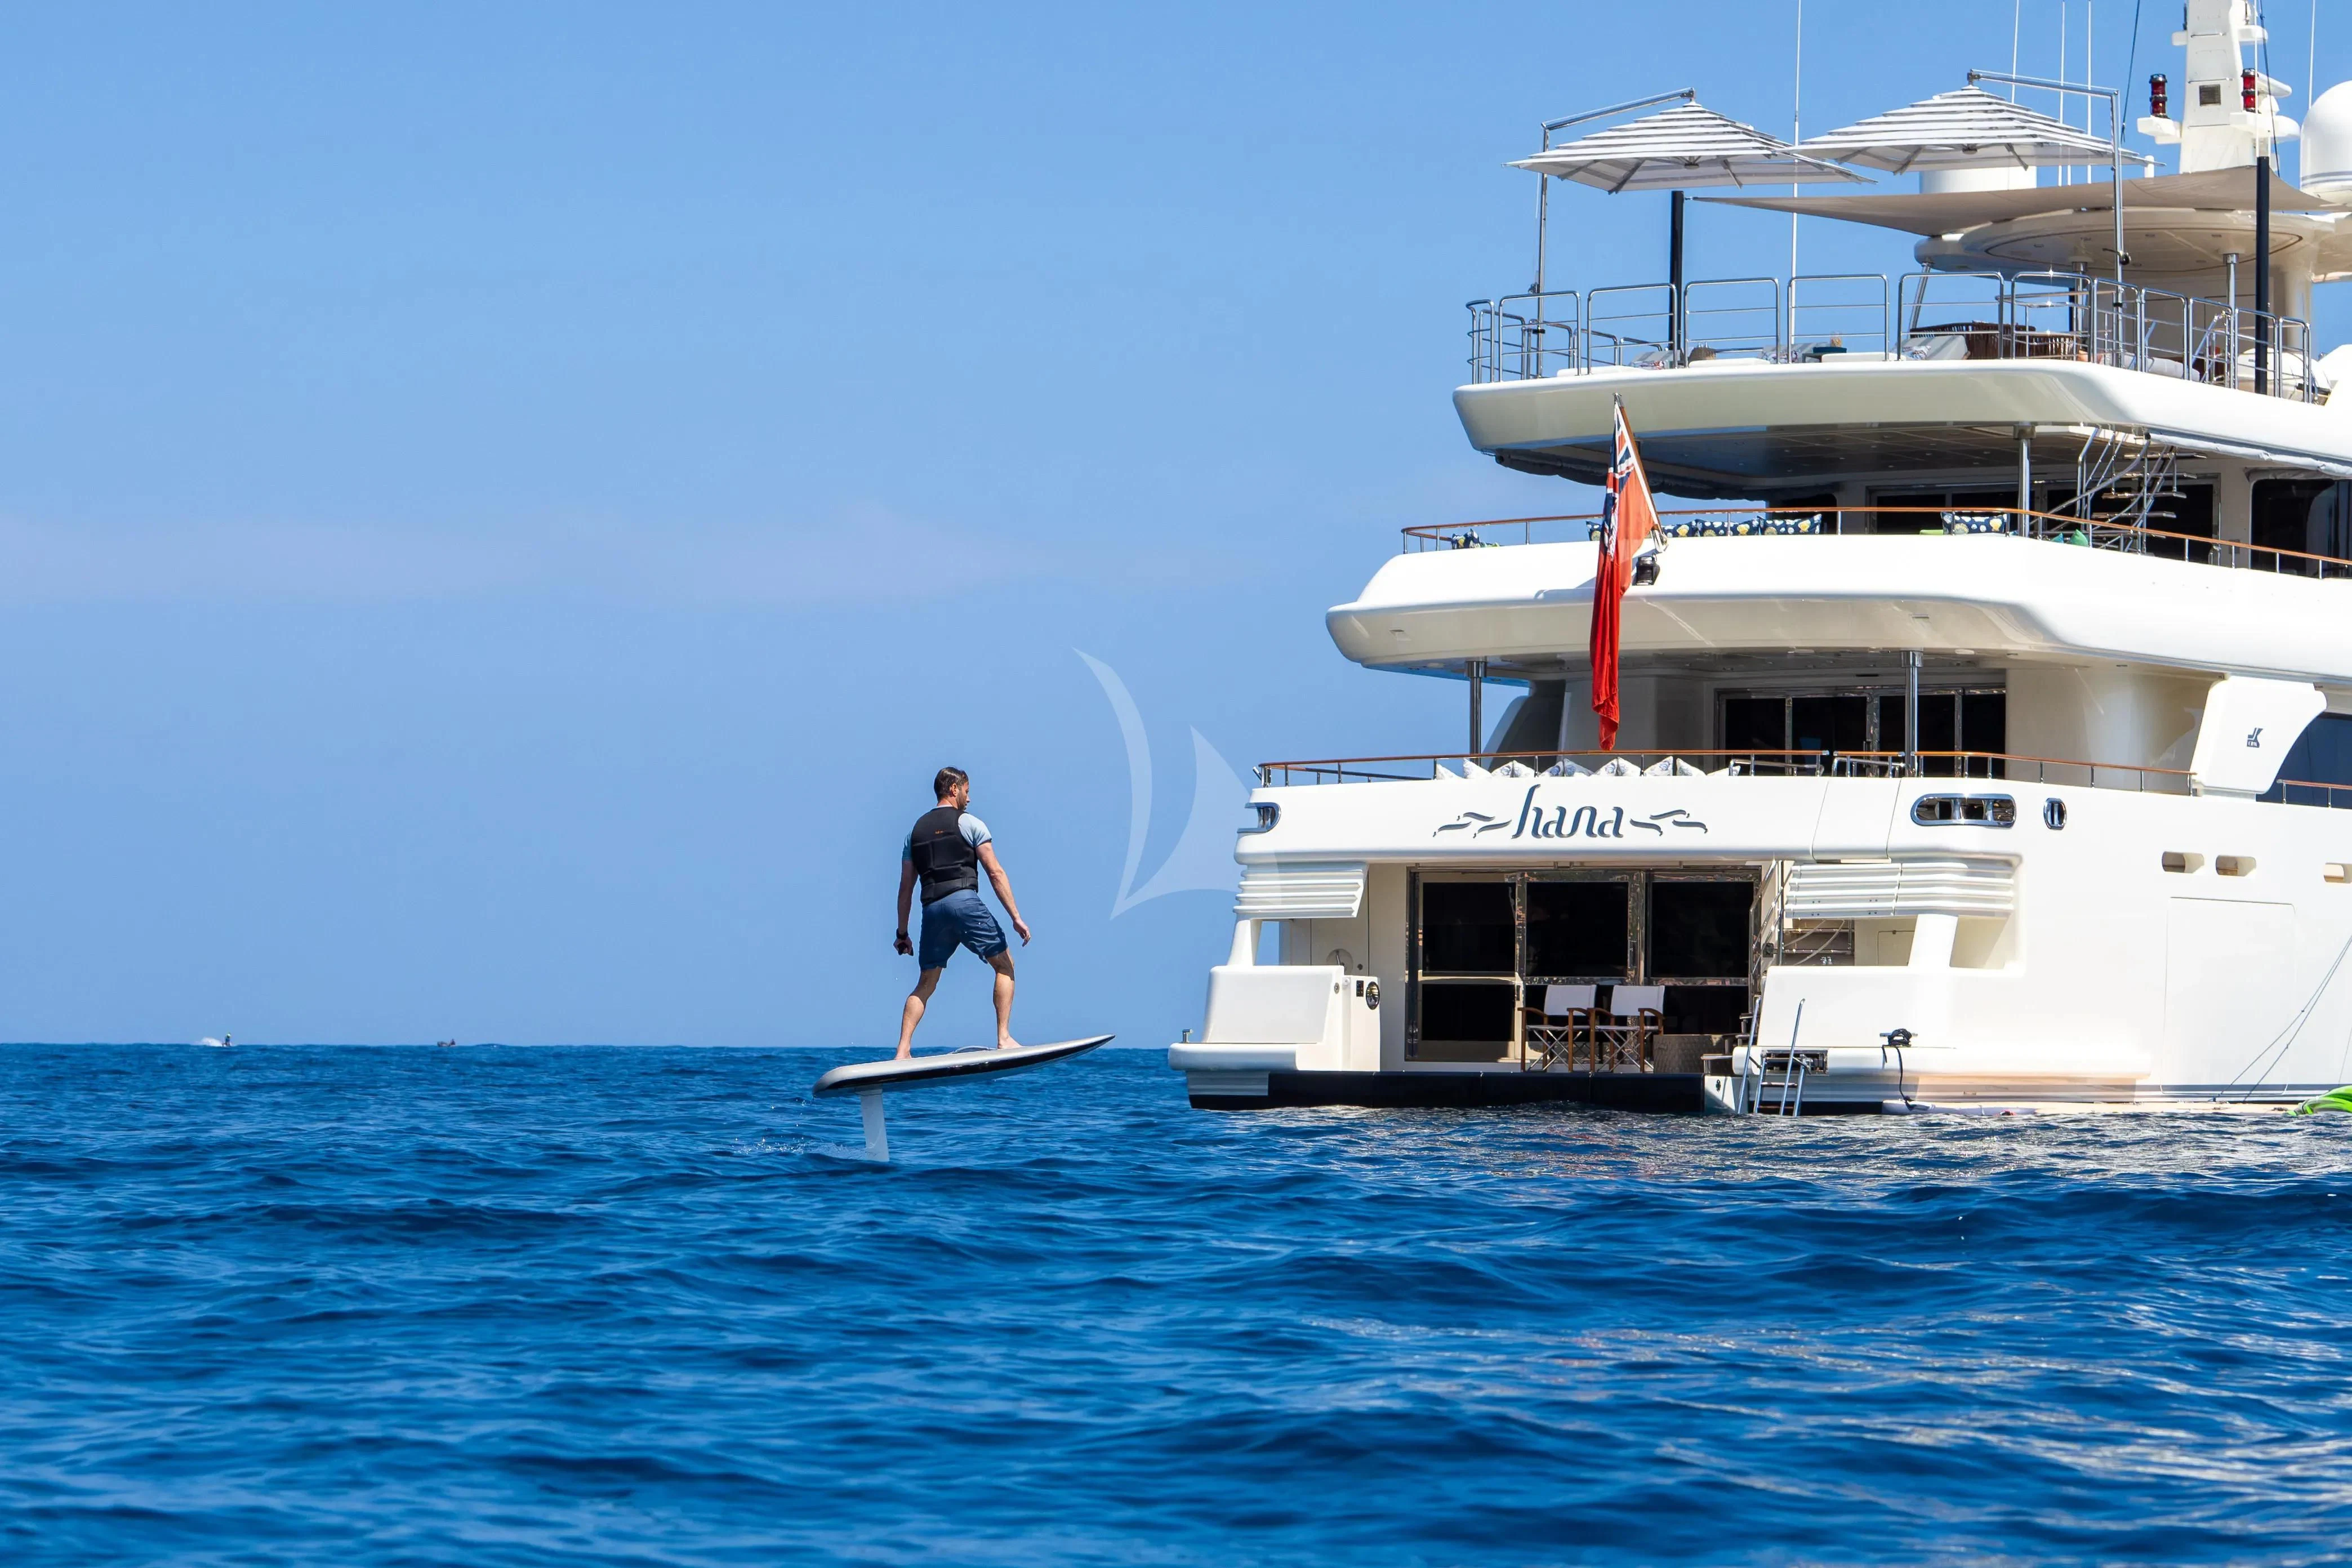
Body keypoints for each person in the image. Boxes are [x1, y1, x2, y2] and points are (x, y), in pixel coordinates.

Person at [894, 766, 1030, 1058]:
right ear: (954, 789)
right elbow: (995, 873)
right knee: (1005, 966)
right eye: (967, 791)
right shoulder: (969, 823)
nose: (969, 799)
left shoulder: (914, 833)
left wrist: (902, 933)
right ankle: (1004, 1039)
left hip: (931, 910)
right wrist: (1016, 917)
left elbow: (906, 887)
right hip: (965, 902)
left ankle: (903, 1050)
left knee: (926, 983)